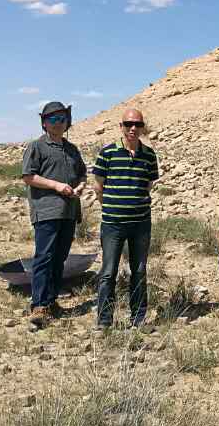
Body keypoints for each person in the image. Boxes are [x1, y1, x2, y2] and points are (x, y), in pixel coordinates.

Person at [20, 101, 87, 329]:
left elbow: (82, 174)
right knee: (44, 257)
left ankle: (51, 301)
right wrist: (56, 185)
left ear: (67, 121)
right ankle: (39, 305)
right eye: (52, 119)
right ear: (44, 123)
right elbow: (28, 176)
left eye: (62, 119)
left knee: (60, 257)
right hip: (47, 211)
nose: (58, 123)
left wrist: (80, 187)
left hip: (69, 211)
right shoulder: (37, 147)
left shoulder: (72, 149)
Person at [91, 107, 160, 329]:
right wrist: (112, 207)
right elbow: (98, 187)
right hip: (113, 223)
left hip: (141, 223)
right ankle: (104, 320)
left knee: (139, 271)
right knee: (108, 272)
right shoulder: (107, 152)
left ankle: (138, 318)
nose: (133, 128)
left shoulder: (149, 155)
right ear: (121, 126)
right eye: (129, 124)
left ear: (142, 127)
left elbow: (148, 184)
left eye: (138, 124)